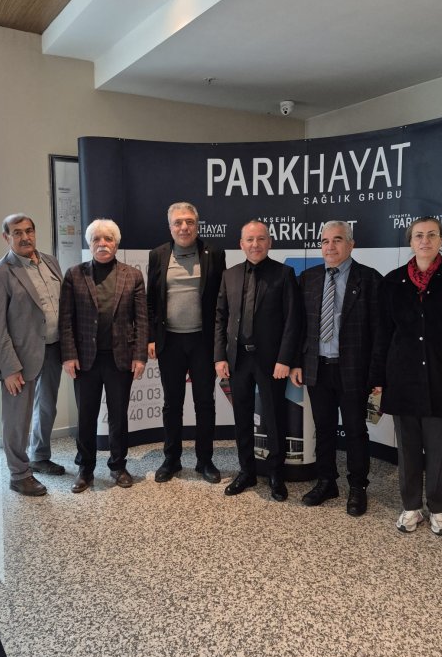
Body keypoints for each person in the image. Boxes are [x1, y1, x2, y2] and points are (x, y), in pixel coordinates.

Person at [378, 216, 442, 536]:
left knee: (437, 452)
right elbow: (383, 335)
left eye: (431, 235)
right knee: (408, 450)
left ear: (440, 240)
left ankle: (438, 509)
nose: (425, 240)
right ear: (410, 242)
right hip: (402, 379)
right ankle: (411, 507)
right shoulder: (393, 281)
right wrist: (378, 378)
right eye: (419, 235)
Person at [290, 220, 383, 516]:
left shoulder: (369, 279)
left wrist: (377, 373)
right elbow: (298, 327)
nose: (330, 246)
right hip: (317, 368)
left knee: (355, 430)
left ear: (351, 244)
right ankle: (326, 481)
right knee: (324, 428)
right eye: (325, 241)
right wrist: (296, 362)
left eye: (338, 240)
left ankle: (358, 487)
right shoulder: (308, 278)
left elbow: (380, 331)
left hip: (354, 369)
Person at [215, 220, 300, 501]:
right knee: (241, 418)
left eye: (261, 239)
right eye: (249, 240)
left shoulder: (284, 274)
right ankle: (246, 471)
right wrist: (219, 356)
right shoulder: (229, 275)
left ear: (269, 242)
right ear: (241, 244)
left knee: (274, 418)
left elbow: (292, 320)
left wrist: (285, 359)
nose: (255, 244)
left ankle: (276, 473)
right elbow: (220, 318)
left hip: (272, 362)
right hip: (237, 360)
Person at [60, 219, 147, 492]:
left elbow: (142, 320)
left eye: (108, 239)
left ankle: (118, 465)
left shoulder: (133, 276)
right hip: (85, 360)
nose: (102, 244)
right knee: (86, 416)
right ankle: (85, 469)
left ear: (116, 244)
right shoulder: (74, 275)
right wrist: (68, 355)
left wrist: (140, 356)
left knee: (119, 416)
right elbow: (66, 319)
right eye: (96, 239)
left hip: (120, 359)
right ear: (89, 244)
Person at [0, 214, 64, 497]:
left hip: (53, 348)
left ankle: (40, 456)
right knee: (17, 417)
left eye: (29, 230)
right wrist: (8, 368)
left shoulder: (50, 262)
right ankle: (19, 474)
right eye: (17, 232)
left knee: (47, 407)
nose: (25, 237)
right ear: (6, 237)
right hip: (20, 357)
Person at [147, 202, 226, 484]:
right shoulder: (158, 255)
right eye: (178, 222)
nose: (184, 227)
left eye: (189, 222)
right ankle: (172, 459)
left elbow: (221, 300)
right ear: (170, 227)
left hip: (203, 342)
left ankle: (205, 460)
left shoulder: (214, 253)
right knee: (172, 403)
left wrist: (220, 343)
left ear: (197, 225)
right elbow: (151, 301)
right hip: (170, 342)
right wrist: (151, 337)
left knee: (205, 403)